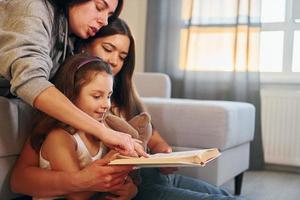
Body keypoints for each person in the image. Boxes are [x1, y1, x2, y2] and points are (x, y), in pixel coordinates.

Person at [11, 18, 245, 199]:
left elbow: (151, 135)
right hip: (126, 185)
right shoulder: (63, 111)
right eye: (108, 49)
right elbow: (71, 185)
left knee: (220, 193)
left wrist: (164, 152)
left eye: (122, 56)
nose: (114, 61)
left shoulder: (120, 93)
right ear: (84, 46)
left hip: (141, 178)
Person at [0, 0, 146, 158]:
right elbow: (30, 80)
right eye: (99, 7)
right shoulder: (31, 7)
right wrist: (103, 132)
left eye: (109, 15)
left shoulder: (69, 34)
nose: (104, 21)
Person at [30, 53, 137, 200]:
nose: (106, 104)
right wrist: (114, 161)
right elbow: (77, 194)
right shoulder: (59, 137)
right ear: (71, 94)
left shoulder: (104, 131)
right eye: (97, 96)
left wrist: (129, 190)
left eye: (108, 95)